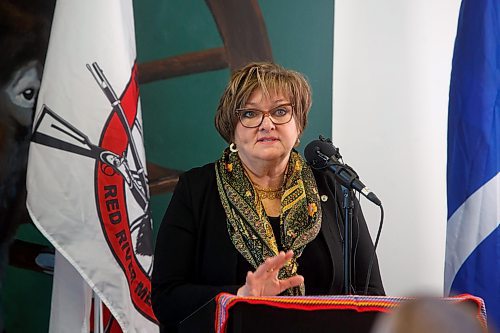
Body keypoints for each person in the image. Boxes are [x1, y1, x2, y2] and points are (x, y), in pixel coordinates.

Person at [152, 62, 385, 331]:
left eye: (281, 111)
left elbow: (372, 291)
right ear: (232, 130)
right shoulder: (196, 189)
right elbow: (167, 298)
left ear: (298, 127)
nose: (267, 124)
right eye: (250, 114)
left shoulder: (333, 187)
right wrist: (239, 296)